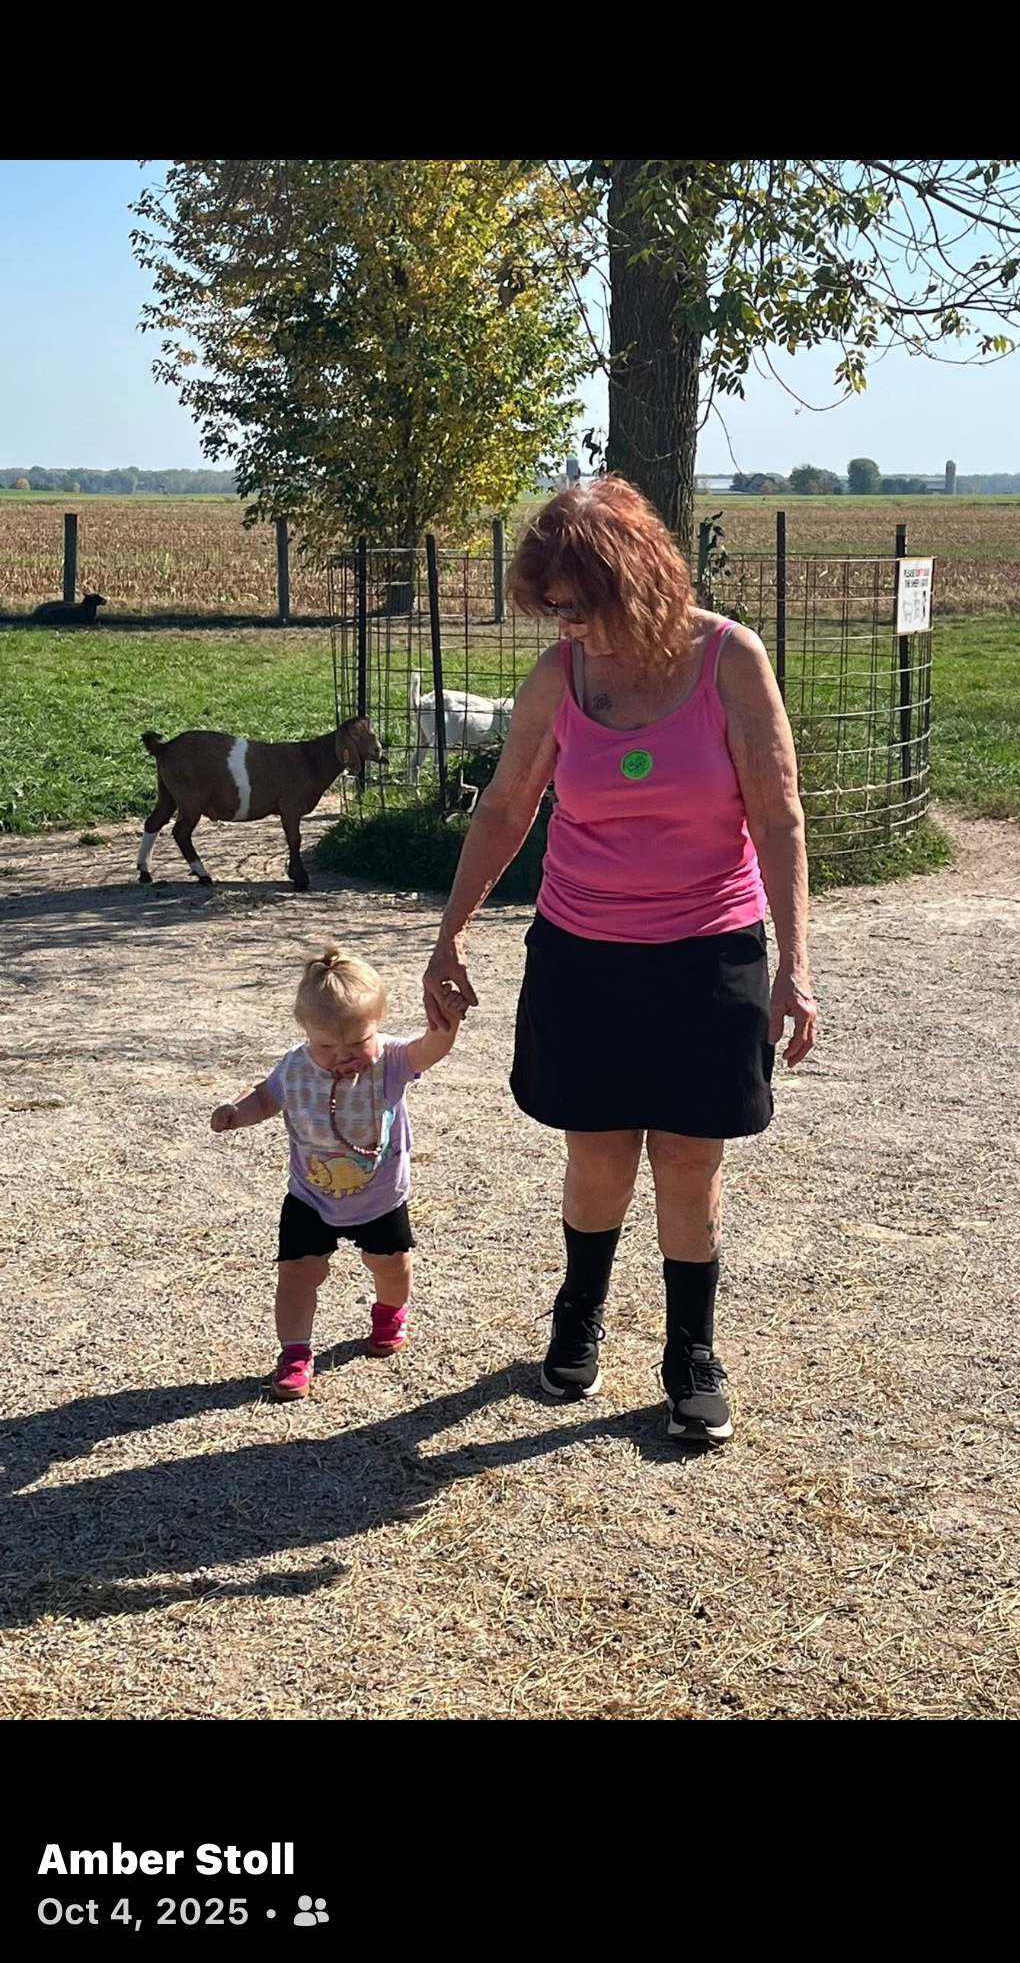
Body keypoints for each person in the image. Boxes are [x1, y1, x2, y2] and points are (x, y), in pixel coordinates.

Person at [422, 479, 818, 1447]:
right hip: (584, 952)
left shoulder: (730, 660)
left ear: (633, 579)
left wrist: (794, 963)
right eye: (551, 609)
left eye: (574, 605)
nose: (563, 626)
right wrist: (450, 934)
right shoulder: (561, 677)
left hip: (706, 951)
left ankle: (691, 1354)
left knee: (689, 1157)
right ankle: (579, 1312)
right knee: (597, 1151)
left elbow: (777, 814)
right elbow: (506, 807)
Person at [211, 945, 463, 1400]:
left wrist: (445, 1025)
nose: (343, 1055)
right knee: (297, 1272)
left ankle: (390, 1311)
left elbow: (430, 1050)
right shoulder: (295, 1067)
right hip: (311, 1196)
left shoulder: (390, 1062)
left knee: (391, 1263)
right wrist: (237, 1112)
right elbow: (267, 1098)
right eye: (327, 1046)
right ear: (306, 1031)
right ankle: (294, 1352)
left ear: (378, 1028)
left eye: (357, 1042)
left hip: (379, 1196)